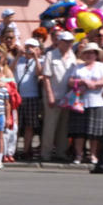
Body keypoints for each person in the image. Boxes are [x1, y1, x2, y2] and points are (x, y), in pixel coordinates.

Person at [68, 42, 103, 165]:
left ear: (96, 55)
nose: (89, 55)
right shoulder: (78, 67)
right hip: (80, 102)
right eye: (87, 52)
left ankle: (93, 155)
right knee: (79, 131)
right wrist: (82, 81)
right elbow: (70, 81)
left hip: (97, 102)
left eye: (92, 52)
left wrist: (94, 84)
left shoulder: (101, 66)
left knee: (95, 132)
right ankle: (79, 155)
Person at [41, 31, 76, 162]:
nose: (68, 44)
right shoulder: (51, 54)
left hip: (67, 96)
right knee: (50, 125)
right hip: (53, 95)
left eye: (70, 42)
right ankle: (46, 153)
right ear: (59, 42)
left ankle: (61, 152)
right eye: (66, 41)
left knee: (64, 126)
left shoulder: (73, 55)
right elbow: (46, 77)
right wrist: (50, 95)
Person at [12, 39, 43, 160]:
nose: (29, 49)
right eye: (28, 47)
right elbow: (10, 69)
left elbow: (39, 73)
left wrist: (35, 58)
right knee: (16, 125)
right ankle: (13, 150)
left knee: (29, 125)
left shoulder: (39, 61)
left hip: (32, 96)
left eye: (32, 47)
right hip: (18, 96)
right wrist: (18, 55)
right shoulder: (19, 60)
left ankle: (25, 150)